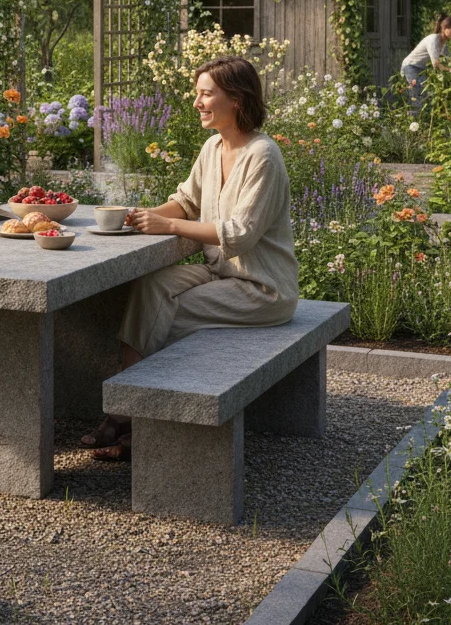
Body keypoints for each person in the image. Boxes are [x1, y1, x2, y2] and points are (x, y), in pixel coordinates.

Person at [81, 55, 299, 460]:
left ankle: (145, 428)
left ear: (236, 98)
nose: (197, 102)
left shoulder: (263, 156)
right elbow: (185, 202)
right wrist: (140, 217)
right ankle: (126, 413)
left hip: (261, 287)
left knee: (165, 315)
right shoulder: (213, 148)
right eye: (197, 94)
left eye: (206, 94)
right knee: (151, 287)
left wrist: (170, 226)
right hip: (221, 272)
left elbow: (240, 234)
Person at [400, 14, 451, 109]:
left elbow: (449, 62)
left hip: (421, 70)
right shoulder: (433, 39)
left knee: (425, 96)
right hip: (410, 66)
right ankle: (412, 117)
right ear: (445, 28)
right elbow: (436, 64)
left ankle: (419, 118)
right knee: (416, 96)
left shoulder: (444, 44)